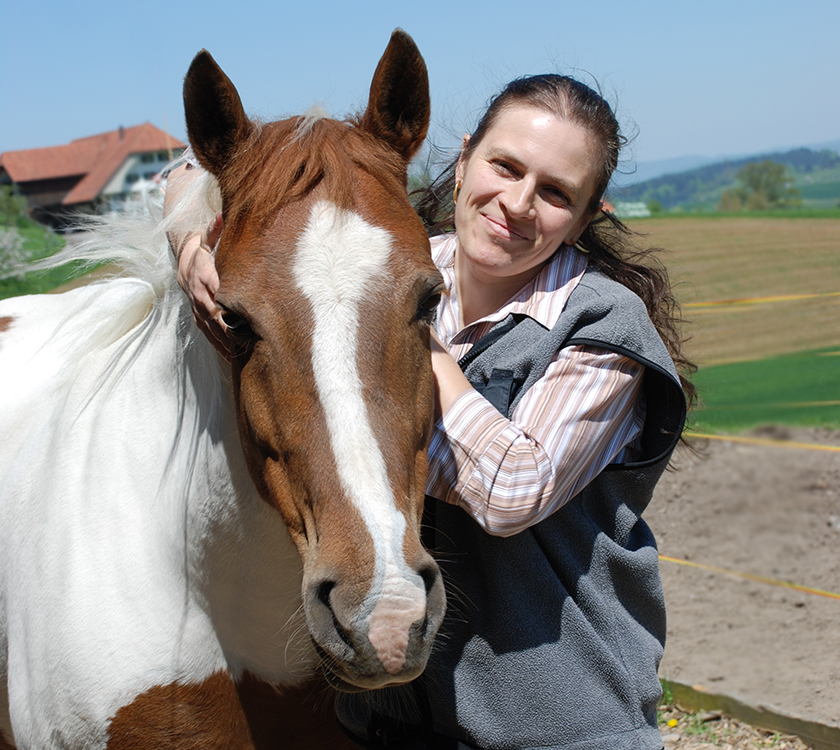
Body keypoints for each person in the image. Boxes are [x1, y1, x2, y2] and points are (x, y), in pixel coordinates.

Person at [168, 73, 694, 750]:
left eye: (557, 192)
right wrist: (187, 235)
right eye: (504, 166)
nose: (518, 201)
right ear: (466, 157)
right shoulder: (384, 265)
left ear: (589, 217)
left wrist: (419, 334)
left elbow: (512, 491)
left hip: (562, 730)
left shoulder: (601, 326)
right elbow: (201, 168)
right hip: (391, 724)